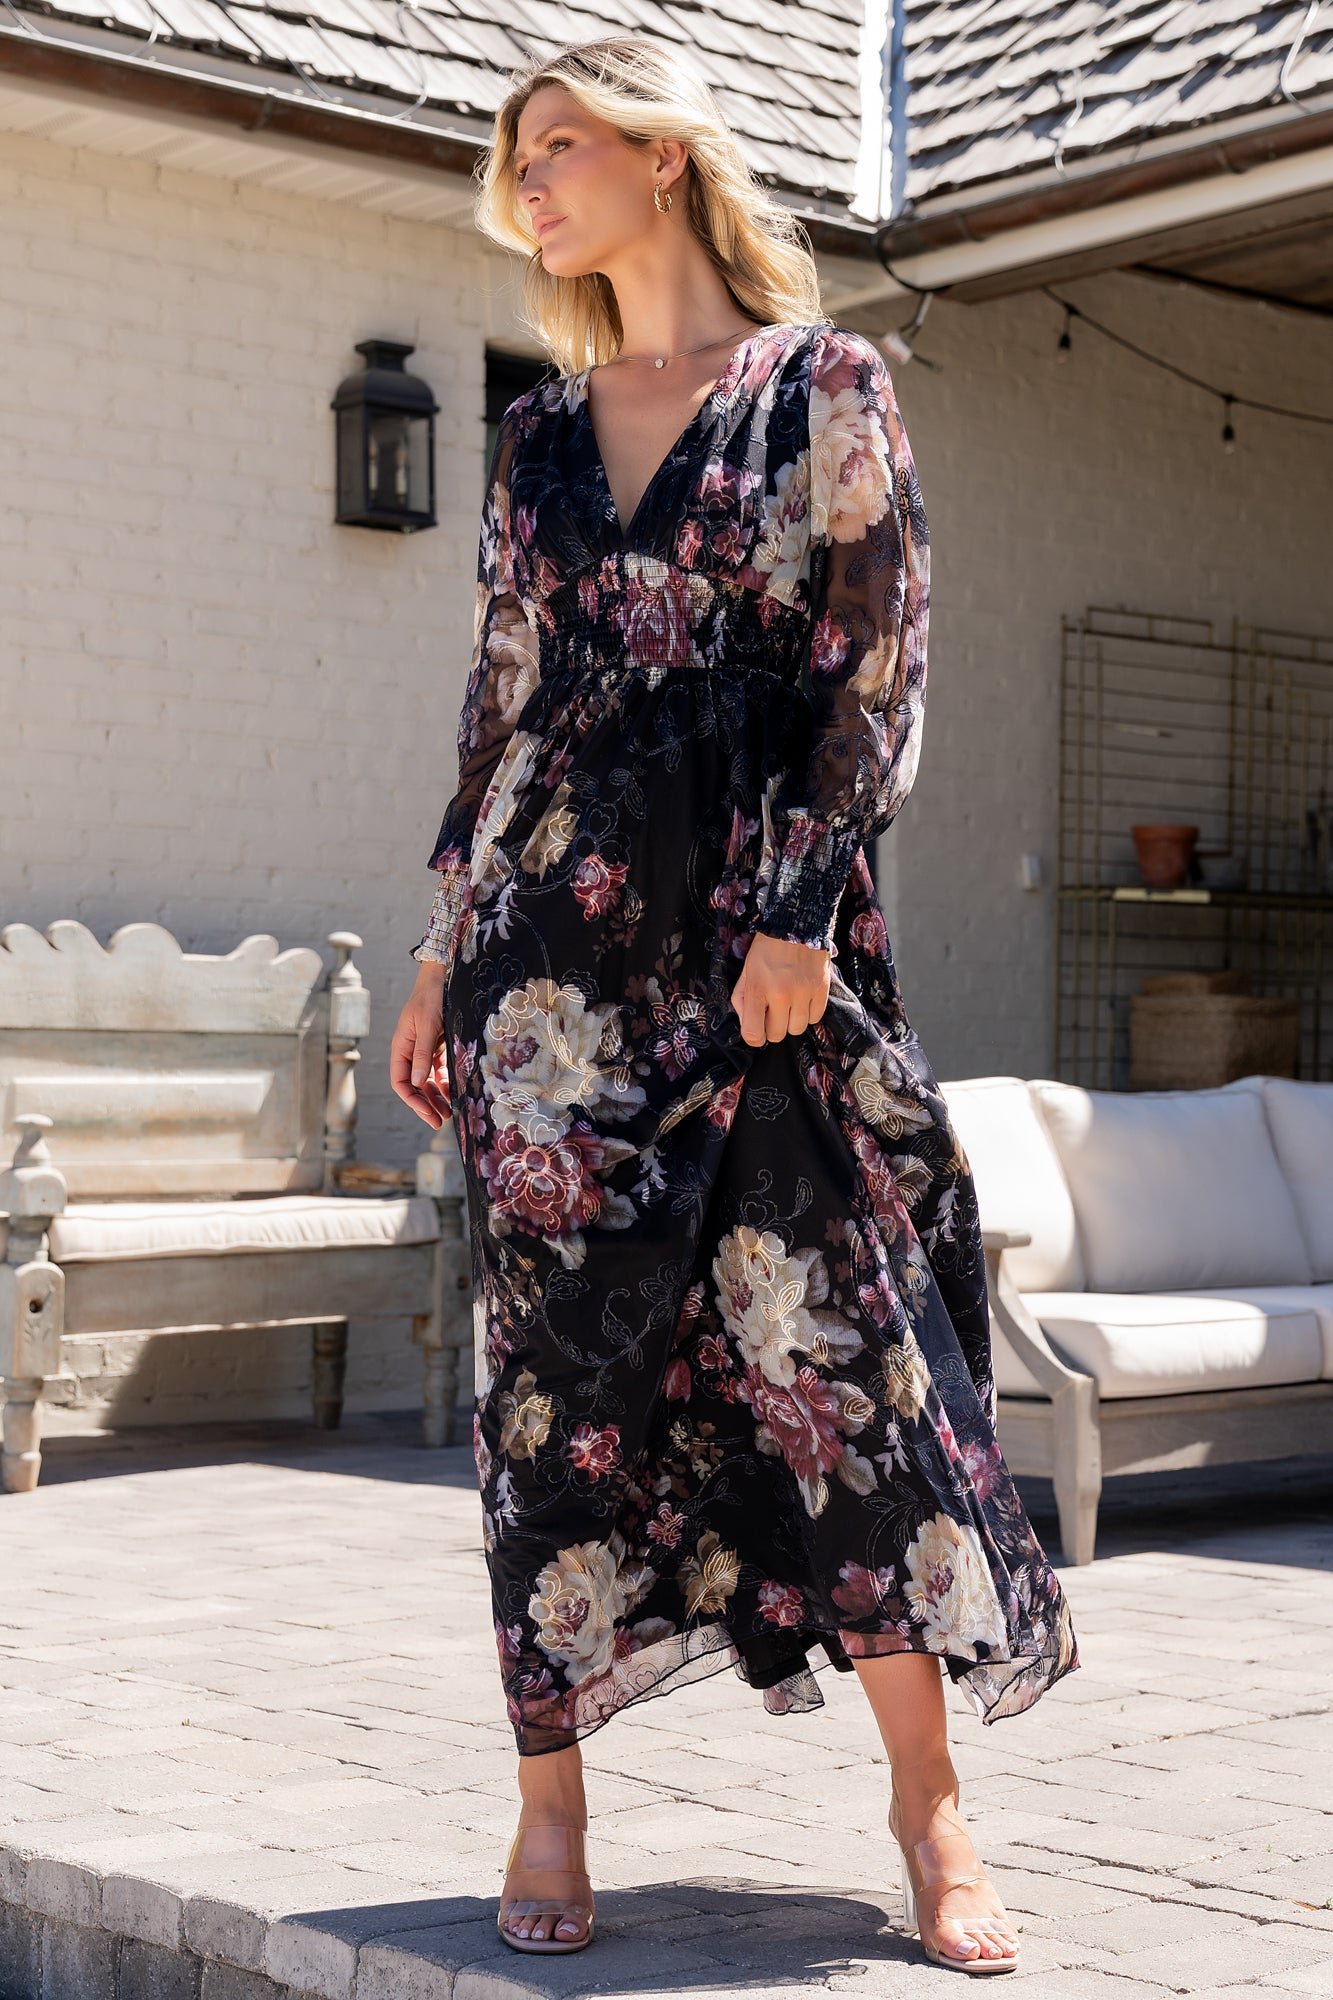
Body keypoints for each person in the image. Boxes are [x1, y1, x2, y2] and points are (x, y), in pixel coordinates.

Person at [390, 34, 1080, 1975]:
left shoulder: (819, 386)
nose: (530, 182)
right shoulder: (537, 433)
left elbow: (873, 659)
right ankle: (548, 1801)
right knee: (556, 1390)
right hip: (549, 984)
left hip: (762, 954)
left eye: (561, 144)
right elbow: (505, 701)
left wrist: (795, 911)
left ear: (666, 159)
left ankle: (929, 1806)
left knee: (832, 1359)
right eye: (514, 159)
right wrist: (442, 946)